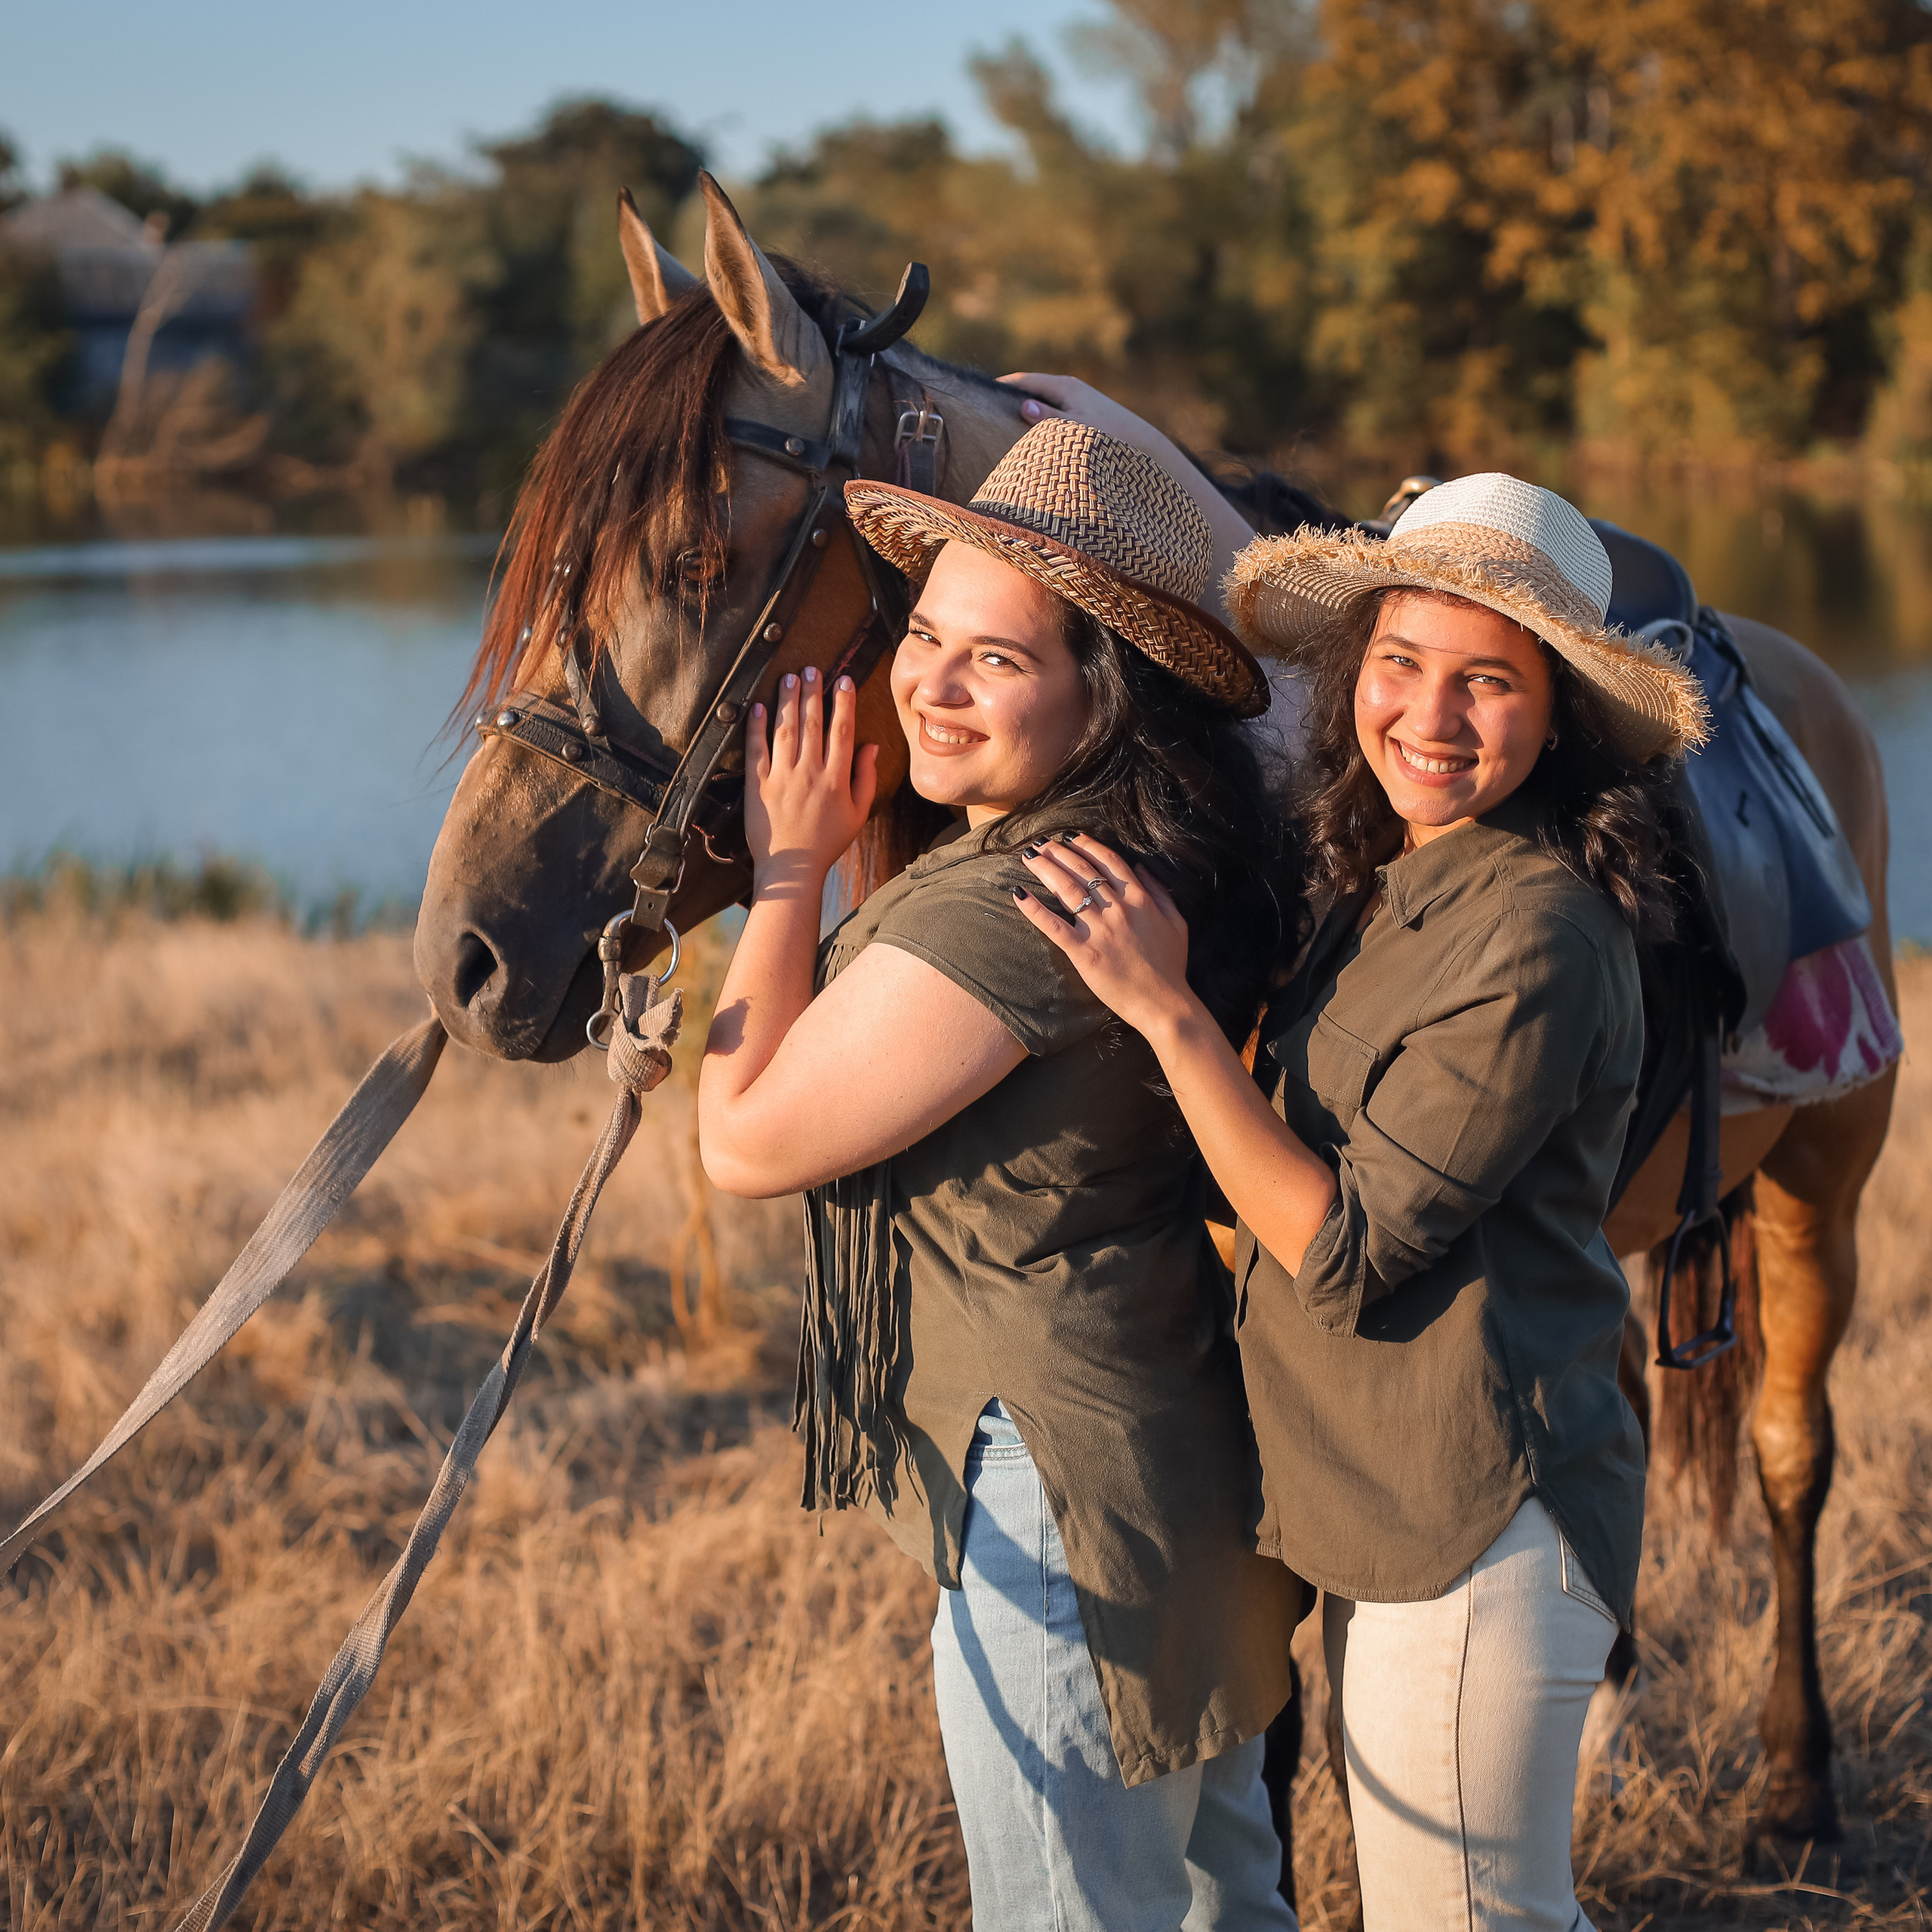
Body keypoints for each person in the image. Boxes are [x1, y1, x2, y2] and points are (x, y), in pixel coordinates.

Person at [1011, 468, 1707, 1930]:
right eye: (1399, 661)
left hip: (1474, 1510)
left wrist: (1165, 1012)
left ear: (1561, 715)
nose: (1428, 715)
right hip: (1394, 1496)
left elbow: (1340, 1250)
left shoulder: (1536, 932)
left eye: (1487, 681)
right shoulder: (1392, 878)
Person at [697, 418, 1310, 1932]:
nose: (930, 683)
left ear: (1103, 692)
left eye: (997, 658)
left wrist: (787, 869)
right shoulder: (1131, 850)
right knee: (1222, 1898)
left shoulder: (1017, 906)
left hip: (1060, 1491)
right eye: (925, 635)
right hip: (1163, 1444)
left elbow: (744, 1139)